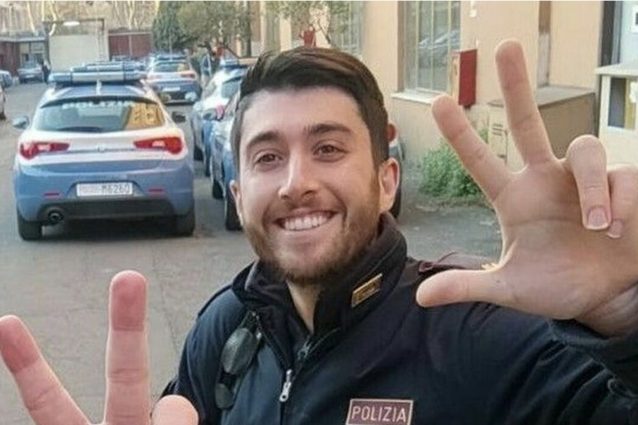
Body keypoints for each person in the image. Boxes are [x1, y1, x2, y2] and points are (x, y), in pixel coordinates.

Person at [2, 39, 638, 425]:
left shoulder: (480, 333)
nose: (295, 182)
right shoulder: (228, 329)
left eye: (328, 148)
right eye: (267, 157)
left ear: (387, 181)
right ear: (238, 194)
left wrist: (623, 316)